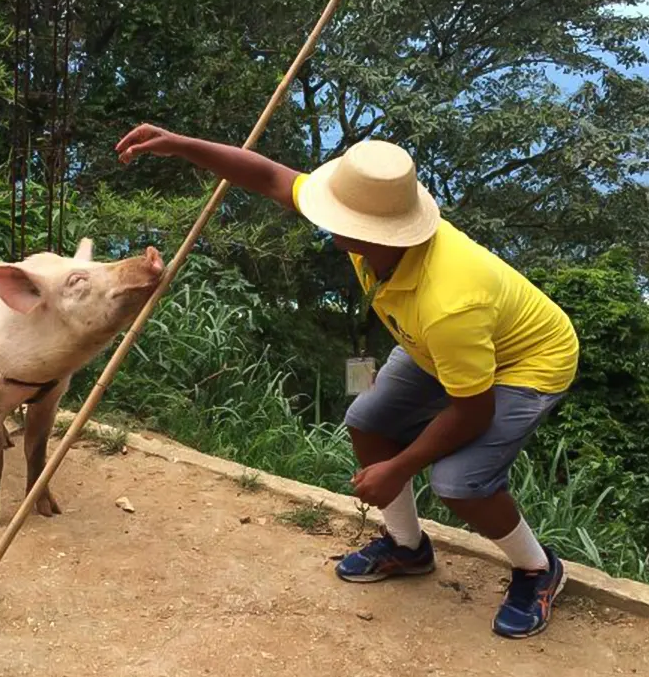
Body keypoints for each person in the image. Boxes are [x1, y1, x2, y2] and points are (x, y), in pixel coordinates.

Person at [115, 123, 580, 639]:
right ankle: (408, 548)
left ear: (374, 229)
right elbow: (269, 176)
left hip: (527, 361)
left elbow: (473, 411)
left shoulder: (450, 300)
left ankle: (538, 569)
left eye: (337, 218)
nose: (323, 222)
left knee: (459, 483)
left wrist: (397, 468)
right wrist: (182, 143)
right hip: (441, 346)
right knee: (366, 420)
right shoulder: (377, 233)